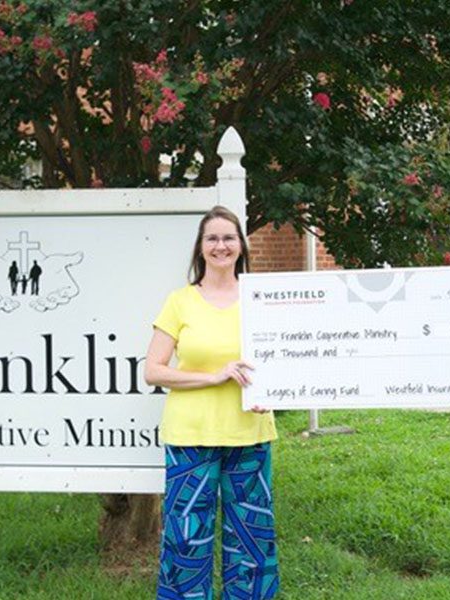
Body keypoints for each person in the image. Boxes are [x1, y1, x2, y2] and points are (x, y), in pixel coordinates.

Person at [145, 205, 279, 600]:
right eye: (212, 238)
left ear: (241, 246)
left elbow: (282, 360)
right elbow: (153, 370)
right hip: (191, 435)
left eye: (229, 237)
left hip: (249, 431)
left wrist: (270, 393)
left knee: (252, 541)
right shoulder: (180, 301)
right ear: (201, 248)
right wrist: (213, 376)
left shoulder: (261, 299)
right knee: (186, 539)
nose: (221, 245)